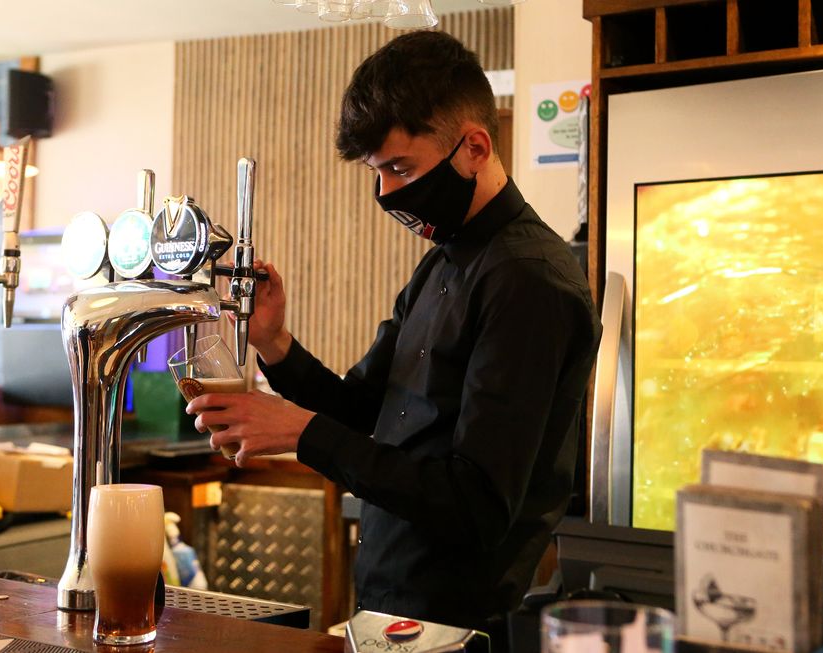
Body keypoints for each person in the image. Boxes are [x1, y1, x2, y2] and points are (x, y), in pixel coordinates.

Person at [187, 30, 602, 649]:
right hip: (391, 608)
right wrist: (275, 344)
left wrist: (302, 433)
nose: (386, 193)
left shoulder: (529, 281)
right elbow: (363, 409)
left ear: (475, 148)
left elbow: (476, 504)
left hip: (464, 627)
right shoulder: (441, 263)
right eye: (376, 172)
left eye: (400, 168)